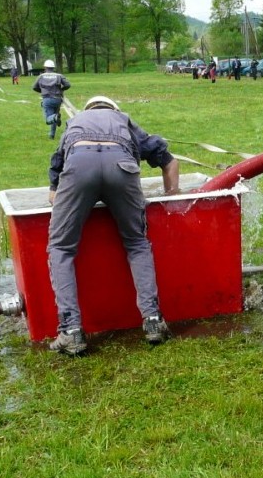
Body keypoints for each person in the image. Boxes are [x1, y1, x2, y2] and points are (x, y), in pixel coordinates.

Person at [46, 95, 179, 355]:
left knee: (61, 247)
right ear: (113, 109)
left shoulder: (75, 123)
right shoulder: (124, 120)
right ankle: (153, 320)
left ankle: (70, 330)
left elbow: (54, 187)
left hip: (79, 165)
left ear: (89, 110)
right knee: (137, 243)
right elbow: (169, 161)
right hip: (123, 167)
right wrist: (171, 199)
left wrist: (68, 203)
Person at [33, 59, 71, 138]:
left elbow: (34, 87)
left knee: (49, 118)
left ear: (45, 67)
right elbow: (67, 85)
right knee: (54, 116)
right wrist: (61, 89)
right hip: (57, 99)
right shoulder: (59, 75)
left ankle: (56, 118)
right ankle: (52, 134)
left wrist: (42, 91)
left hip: (47, 99)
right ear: (53, 67)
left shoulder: (41, 76)